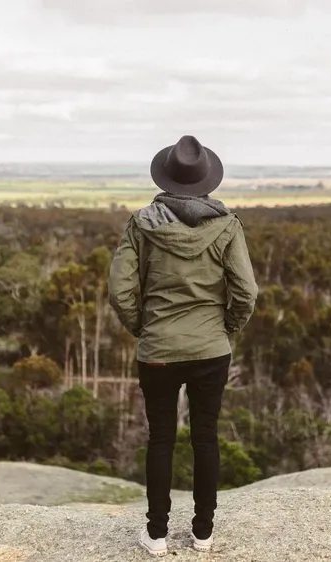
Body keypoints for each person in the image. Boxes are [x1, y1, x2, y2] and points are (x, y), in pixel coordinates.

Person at [108, 135, 258, 556]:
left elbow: (120, 290)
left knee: (161, 440)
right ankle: (203, 533)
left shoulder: (142, 224)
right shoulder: (227, 225)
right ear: (206, 180)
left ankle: (156, 535)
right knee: (205, 438)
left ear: (166, 177)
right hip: (211, 349)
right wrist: (226, 328)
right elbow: (246, 291)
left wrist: (143, 327)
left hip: (158, 350)